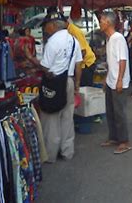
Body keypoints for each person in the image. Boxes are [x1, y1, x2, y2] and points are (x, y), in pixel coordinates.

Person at [37, 12, 83, 163]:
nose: (45, 29)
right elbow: (78, 66)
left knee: (51, 118)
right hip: (68, 82)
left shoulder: (52, 42)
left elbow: (45, 67)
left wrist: (31, 60)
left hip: (54, 83)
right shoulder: (74, 41)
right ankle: (67, 151)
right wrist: (76, 85)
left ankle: (51, 154)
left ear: (54, 25)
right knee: (67, 117)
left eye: (46, 26)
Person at [100, 12, 132, 155]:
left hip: (120, 81)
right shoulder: (110, 39)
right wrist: (107, 78)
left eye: (101, 20)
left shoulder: (118, 38)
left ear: (108, 23)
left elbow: (122, 60)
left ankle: (124, 141)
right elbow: (111, 62)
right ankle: (114, 137)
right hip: (111, 80)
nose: (100, 23)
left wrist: (119, 80)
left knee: (119, 113)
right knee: (110, 111)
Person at [66, 18, 97, 88]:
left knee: (84, 88)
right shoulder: (67, 31)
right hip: (81, 64)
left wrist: (73, 64)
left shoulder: (74, 30)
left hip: (87, 64)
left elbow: (83, 51)